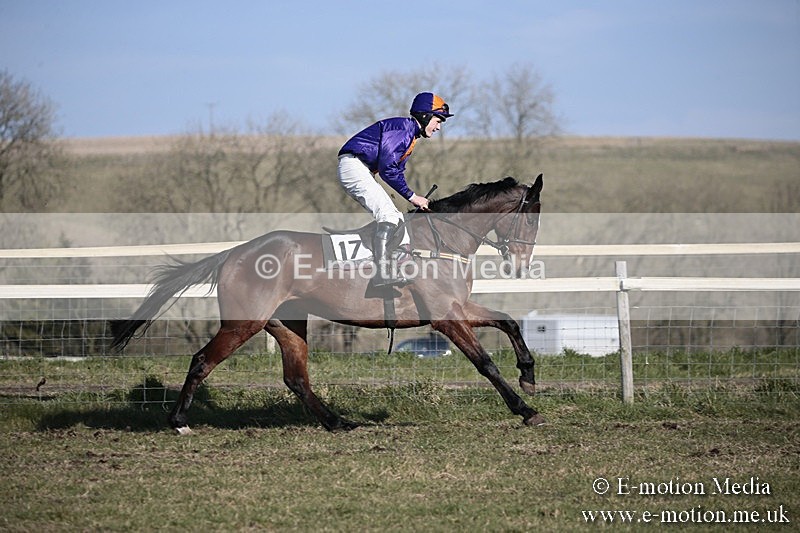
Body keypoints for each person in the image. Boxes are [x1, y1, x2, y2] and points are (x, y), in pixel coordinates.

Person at [337, 92, 454, 287]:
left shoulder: (409, 134)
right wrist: (412, 196)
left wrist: (411, 197)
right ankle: (381, 274)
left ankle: (397, 267)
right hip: (354, 167)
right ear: (425, 116)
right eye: (438, 120)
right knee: (389, 217)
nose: (439, 127)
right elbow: (388, 169)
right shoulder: (402, 129)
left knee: (397, 219)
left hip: (362, 169)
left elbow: (396, 171)